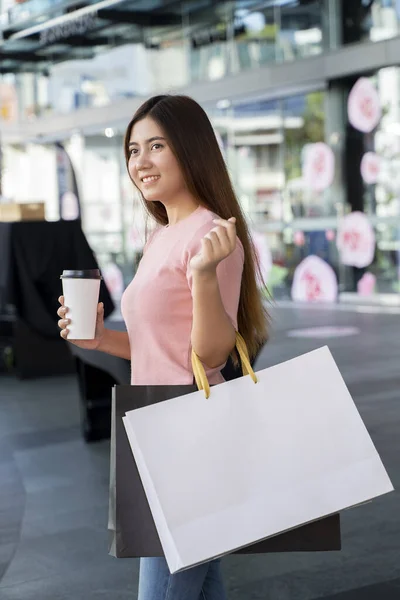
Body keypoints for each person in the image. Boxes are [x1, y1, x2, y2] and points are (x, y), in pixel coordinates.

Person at [57, 94, 269, 600]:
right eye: (133, 150)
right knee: (200, 582)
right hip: (155, 420)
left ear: (191, 149)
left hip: (191, 428)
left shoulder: (214, 236)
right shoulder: (160, 236)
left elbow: (211, 355)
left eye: (156, 145)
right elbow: (163, 345)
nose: (141, 161)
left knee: (163, 589)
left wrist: (203, 278)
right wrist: (101, 339)